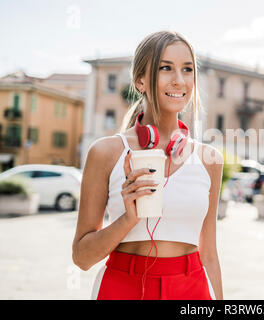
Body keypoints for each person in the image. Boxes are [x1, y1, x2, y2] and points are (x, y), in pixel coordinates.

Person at [72, 31, 223, 300]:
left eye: (187, 70)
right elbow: (82, 258)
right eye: (166, 68)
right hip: (121, 287)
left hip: (192, 289)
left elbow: (209, 254)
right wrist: (128, 219)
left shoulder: (209, 159)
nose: (179, 80)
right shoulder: (105, 152)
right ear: (140, 80)